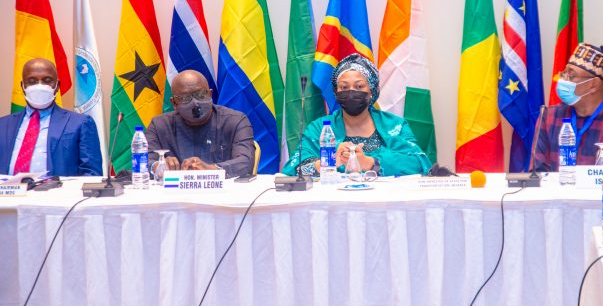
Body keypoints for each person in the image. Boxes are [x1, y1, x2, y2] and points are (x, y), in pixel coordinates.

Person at [282, 54, 432, 177]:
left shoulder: (395, 125)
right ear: (336, 92)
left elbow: (420, 163)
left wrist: (371, 163)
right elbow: (293, 168)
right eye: (344, 87)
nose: (351, 92)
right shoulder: (319, 128)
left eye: (359, 86)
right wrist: (328, 162)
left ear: (372, 91)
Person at [534, 43, 603, 171]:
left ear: (593, 84)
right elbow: (537, 174)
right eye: (564, 73)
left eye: (571, 76)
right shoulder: (548, 117)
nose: (563, 80)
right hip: (558, 184)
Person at [0, 58, 102, 176]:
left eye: (47, 80)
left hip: (58, 188)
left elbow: (92, 174)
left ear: (57, 86)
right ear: (23, 86)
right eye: (32, 81)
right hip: (9, 188)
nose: (40, 86)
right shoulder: (3, 125)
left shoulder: (80, 123)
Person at [146, 70, 254, 178]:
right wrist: (157, 166)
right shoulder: (159, 125)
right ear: (174, 103)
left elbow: (245, 162)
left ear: (210, 94)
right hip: (175, 188)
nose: (195, 103)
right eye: (185, 98)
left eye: (201, 95)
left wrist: (212, 169)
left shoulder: (235, 121)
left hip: (222, 188)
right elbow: (142, 161)